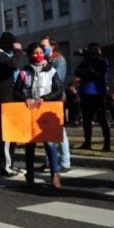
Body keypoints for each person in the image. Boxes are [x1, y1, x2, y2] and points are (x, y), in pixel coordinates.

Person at [14, 43, 65, 188]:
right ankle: (29, 174)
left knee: (50, 144)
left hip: (45, 111)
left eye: (40, 52)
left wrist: (45, 98)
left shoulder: (52, 71)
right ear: (30, 55)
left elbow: (59, 90)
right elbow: (16, 91)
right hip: (29, 111)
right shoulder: (24, 72)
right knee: (30, 144)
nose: (38, 55)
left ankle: (55, 174)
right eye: (35, 53)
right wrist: (26, 98)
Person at [0, 32, 27, 176]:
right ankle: (5, 167)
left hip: (11, 98)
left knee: (12, 134)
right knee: (6, 134)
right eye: (13, 45)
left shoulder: (3, 54)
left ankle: (10, 164)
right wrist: (18, 52)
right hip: (5, 99)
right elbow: (12, 64)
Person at [40, 36, 70, 171]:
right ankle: (50, 161)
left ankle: (65, 162)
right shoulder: (45, 60)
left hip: (56, 98)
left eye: (43, 45)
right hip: (44, 98)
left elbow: (59, 79)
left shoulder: (59, 60)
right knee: (46, 132)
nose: (41, 48)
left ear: (52, 46)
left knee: (59, 131)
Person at [75, 42, 112, 152]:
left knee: (103, 120)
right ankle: (87, 142)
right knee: (87, 120)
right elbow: (77, 72)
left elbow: (98, 74)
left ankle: (107, 144)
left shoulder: (102, 62)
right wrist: (88, 72)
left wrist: (87, 73)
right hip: (85, 93)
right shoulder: (85, 62)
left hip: (98, 93)